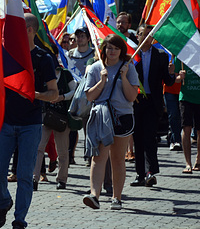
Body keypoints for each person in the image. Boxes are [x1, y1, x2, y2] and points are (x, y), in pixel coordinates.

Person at [0, 13, 58, 229]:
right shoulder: (6, 55)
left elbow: (54, 94)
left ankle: (19, 219)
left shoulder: (43, 58)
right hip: (6, 123)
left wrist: (33, 94)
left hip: (31, 124)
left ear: (30, 30)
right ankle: (4, 203)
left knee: (24, 175)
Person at [82, 34, 140, 211]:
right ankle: (94, 195)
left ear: (121, 50)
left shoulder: (128, 68)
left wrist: (123, 77)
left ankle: (117, 198)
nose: (112, 51)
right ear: (104, 49)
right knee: (98, 156)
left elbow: (131, 96)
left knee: (117, 158)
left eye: (116, 48)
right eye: (109, 48)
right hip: (101, 117)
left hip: (122, 117)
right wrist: (102, 81)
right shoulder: (95, 68)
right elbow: (89, 96)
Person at [130, 25, 176, 188]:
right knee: (138, 139)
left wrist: (172, 73)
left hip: (152, 102)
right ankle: (139, 174)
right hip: (135, 101)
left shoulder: (161, 56)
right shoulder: (132, 55)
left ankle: (150, 172)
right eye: (143, 34)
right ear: (137, 36)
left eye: (150, 34)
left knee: (149, 137)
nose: (146, 37)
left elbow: (168, 81)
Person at [33, 64, 76, 190]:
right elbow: (39, 90)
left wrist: (62, 97)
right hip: (46, 115)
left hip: (62, 117)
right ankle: (34, 178)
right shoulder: (44, 72)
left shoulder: (66, 74)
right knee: (39, 147)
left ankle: (62, 180)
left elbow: (74, 91)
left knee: (62, 150)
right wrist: (47, 97)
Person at [179, 65, 200, 173]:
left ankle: (198, 159)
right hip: (186, 98)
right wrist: (180, 77)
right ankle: (188, 163)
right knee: (186, 129)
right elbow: (174, 78)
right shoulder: (182, 55)